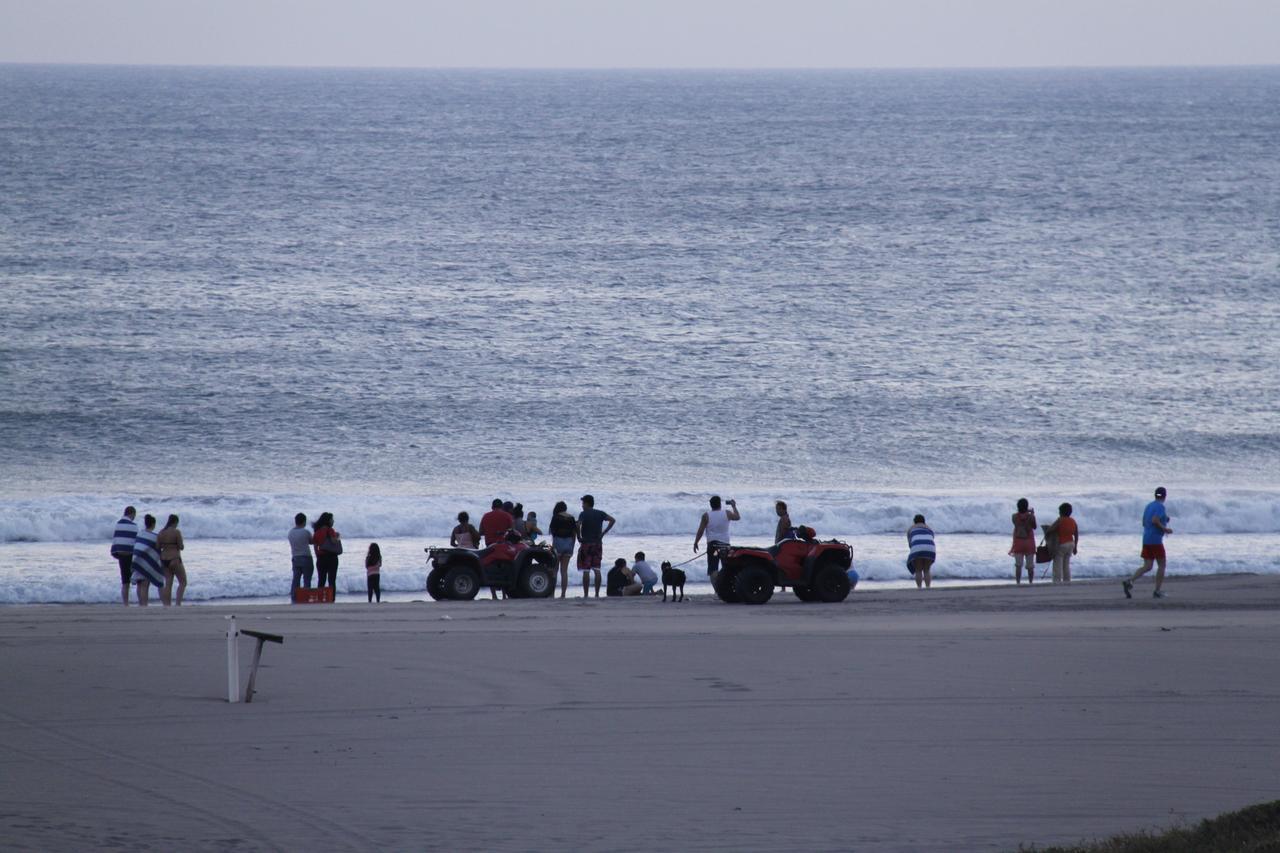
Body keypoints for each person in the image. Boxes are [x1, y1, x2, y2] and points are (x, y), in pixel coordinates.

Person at [1124, 487, 1172, 599]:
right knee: (1162, 564)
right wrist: (1165, 529)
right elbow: (1155, 520)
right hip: (1155, 540)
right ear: (1165, 496)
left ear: (1155, 495)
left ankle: (1130, 581)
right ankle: (1157, 591)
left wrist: (1165, 519)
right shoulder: (1160, 506)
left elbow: (1144, 522)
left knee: (1148, 566)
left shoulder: (1149, 506)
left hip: (1146, 539)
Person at [577, 494, 616, 598]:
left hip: (586, 544)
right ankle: (597, 594)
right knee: (597, 569)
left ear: (586, 503)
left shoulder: (583, 514)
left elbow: (578, 524)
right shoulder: (600, 513)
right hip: (597, 544)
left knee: (586, 570)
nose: (582, 505)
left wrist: (578, 536)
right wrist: (604, 533)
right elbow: (612, 520)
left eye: (583, 503)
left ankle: (586, 594)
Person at [693, 495, 740, 581]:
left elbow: (700, 531)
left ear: (711, 505)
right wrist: (734, 506)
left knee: (713, 569)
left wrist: (696, 542)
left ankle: (717, 589)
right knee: (726, 567)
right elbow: (737, 517)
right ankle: (725, 588)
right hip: (725, 546)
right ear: (720, 504)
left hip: (713, 547)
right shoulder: (727, 513)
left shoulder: (706, 516)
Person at [129, 514, 164, 606]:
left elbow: (138, 548)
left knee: (139, 584)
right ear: (153, 524)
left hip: (137, 561)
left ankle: (141, 603)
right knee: (144, 584)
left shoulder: (140, 533)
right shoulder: (155, 537)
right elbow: (157, 550)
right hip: (146, 563)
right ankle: (144, 605)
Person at [110, 505, 138, 606]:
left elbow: (116, 540)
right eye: (134, 515)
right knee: (137, 579)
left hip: (121, 555)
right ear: (132, 514)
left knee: (125, 581)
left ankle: (125, 603)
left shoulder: (118, 524)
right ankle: (141, 601)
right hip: (130, 555)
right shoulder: (134, 526)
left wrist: (115, 553)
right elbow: (135, 542)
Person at [548, 500, 577, 597]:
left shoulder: (555, 517)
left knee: (555, 570)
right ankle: (563, 594)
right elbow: (574, 534)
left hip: (558, 543)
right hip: (569, 543)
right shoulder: (571, 518)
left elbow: (552, 531)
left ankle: (552, 593)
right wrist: (572, 547)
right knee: (564, 571)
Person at [157, 513, 187, 606]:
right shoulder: (176, 532)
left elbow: (157, 546)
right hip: (174, 559)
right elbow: (181, 547)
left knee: (168, 584)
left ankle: (167, 605)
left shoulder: (161, 532)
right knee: (183, 582)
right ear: (175, 522)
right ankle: (178, 604)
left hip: (164, 559)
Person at [1047, 503, 1079, 584]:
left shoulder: (1060, 520)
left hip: (1062, 544)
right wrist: (1075, 547)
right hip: (1071, 544)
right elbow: (1076, 534)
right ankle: (1067, 581)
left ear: (1061, 512)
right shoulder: (1073, 521)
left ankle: (1056, 582)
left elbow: (1050, 530)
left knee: (1057, 565)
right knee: (1066, 565)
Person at [1010, 498, 1038, 584]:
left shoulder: (1014, 516)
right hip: (1029, 543)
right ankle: (1030, 582)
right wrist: (1032, 514)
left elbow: (1016, 524)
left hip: (1018, 543)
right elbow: (1034, 526)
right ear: (1027, 506)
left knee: (1018, 565)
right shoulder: (1030, 517)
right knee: (1030, 566)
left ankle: (1018, 582)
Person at [313, 512, 342, 593]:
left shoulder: (317, 532)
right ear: (328, 521)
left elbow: (315, 546)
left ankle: (320, 597)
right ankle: (331, 598)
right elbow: (333, 541)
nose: (333, 521)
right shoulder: (330, 530)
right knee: (332, 580)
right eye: (332, 519)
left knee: (321, 579)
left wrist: (318, 556)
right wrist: (337, 536)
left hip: (321, 558)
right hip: (331, 558)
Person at [288, 512, 314, 597]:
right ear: (304, 522)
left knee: (296, 579)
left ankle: (294, 596)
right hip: (306, 557)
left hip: (295, 558)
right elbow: (312, 541)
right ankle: (306, 596)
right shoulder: (305, 532)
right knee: (307, 580)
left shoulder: (290, 533)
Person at [907, 514, 936, 589]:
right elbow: (932, 538)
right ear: (924, 521)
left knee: (918, 569)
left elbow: (910, 544)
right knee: (927, 569)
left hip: (917, 548)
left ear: (914, 522)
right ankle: (928, 587)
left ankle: (919, 587)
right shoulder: (929, 528)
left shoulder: (911, 528)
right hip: (930, 548)